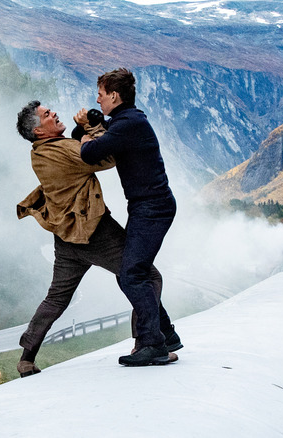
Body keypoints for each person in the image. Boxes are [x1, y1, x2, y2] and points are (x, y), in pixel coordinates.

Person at [14, 100, 182, 377]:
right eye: (46, 115)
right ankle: (148, 343)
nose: (53, 113)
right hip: (95, 234)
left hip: (66, 238)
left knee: (56, 298)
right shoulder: (65, 150)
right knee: (144, 276)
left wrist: (83, 132)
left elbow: (82, 152)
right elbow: (107, 157)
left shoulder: (40, 154)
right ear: (39, 131)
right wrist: (94, 127)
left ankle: (26, 358)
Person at [78, 68, 178, 367]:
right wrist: (89, 125)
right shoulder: (127, 121)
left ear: (114, 95)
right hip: (148, 206)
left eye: (100, 93)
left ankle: (153, 345)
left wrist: (84, 136)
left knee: (131, 274)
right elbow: (103, 133)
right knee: (134, 272)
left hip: (152, 208)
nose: (97, 98)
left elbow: (90, 153)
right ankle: (166, 336)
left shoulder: (128, 125)